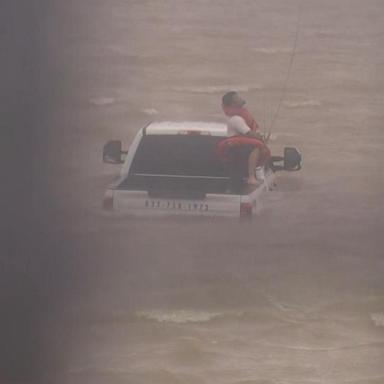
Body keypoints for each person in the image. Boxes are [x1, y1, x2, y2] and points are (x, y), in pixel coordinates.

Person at [218, 91, 271, 185]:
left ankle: (254, 172)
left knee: (257, 144)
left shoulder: (241, 116)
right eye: (238, 98)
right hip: (236, 149)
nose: (241, 98)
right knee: (256, 146)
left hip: (241, 146)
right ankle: (251, 177)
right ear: (233, 104)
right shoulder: (235, 119)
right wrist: (261, 139)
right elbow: (249, 133)